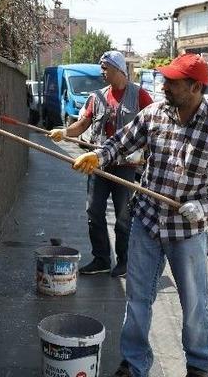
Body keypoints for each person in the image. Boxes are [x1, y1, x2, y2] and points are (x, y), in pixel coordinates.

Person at [71, 53, 208, 377]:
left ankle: (198, 367)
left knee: (194, 307)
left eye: (173, 82)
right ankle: (134, 363)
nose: (165, 86)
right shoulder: (154, 114)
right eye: (165, 80)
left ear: (196, 87)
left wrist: (206, 207)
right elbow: (120, 142)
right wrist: (98, 156)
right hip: (147, 223)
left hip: (187, 233)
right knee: (138, 301)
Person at [48, 50, 153, 278]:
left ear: (119, 69)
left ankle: (124, 261)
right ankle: (101, 259)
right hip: (97, 163)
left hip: (125, 166)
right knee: (93, 212)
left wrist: (147, 154)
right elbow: (82, 124)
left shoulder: (140, 96)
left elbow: (153, 129)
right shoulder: (97, 97)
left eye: (105, 68)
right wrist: (64, 132)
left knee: (124, 216)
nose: (102, 72)